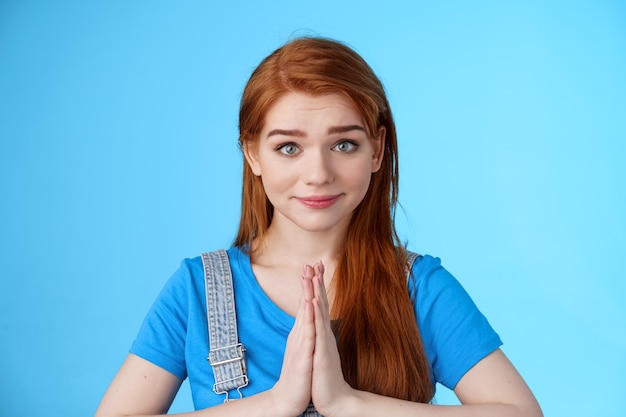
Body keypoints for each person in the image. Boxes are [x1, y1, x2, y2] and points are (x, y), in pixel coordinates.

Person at [95, 36, 543, 417]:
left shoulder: (420, 288)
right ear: (252, 154)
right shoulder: (196, 289)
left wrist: (349, 403)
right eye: (289, 147)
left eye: (344, 144)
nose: (318, 173)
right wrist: (274, 404)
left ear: (376, 149)